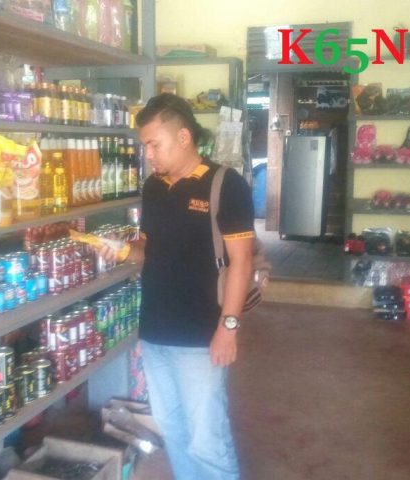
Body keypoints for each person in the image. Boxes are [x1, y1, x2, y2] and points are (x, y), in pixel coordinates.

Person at [100, 93, 254, 480]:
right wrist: (122, 251)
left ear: (183, 137)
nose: (148, 154)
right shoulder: (154, 187)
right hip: (155, 330)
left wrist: (228, 328)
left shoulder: (225, 184)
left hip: (201, 333)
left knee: (207, 438)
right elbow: (148, 249)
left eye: (154, 144)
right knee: (173, 428)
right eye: (145, 146)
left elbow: (242, 262)